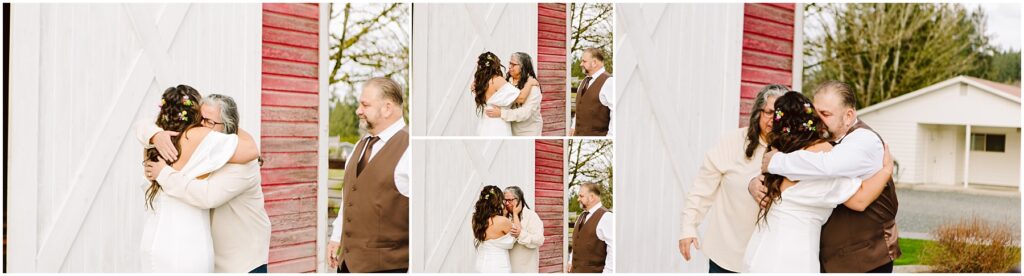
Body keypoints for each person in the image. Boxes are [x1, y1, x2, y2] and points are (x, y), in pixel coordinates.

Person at [751, 81, 902, 273]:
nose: (817, 120)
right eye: (815, 113)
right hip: (799, 258)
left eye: (825, 114)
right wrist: (754, 182)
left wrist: (775, 163)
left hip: (863, 260)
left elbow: (829, 166)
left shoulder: (863, 140)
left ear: (848, 116)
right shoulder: (813, 151)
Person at [140, 92, 270, 273]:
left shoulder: (244, 164)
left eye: (208, 121)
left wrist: (163, 173)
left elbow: (208, 196)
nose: (200, 126)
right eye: (199, 119)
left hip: (242, 263)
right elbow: (143, 124)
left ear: (228, 125)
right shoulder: (206, 151)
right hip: (208, 257)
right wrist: (155, 135)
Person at [677, 84, 788, 273]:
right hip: (726, 257)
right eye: (769, 112)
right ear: (758, 112)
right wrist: (688, 226)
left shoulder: (792, 150)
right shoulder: (733, 141)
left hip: (768, 259)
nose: (774, 119)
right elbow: (702, 189)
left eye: (780, 114)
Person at [327, 77, 411, 273]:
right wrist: (336, 237)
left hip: (388, 268)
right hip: (347, 265)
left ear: (387, 108)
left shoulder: (411, 149)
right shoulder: (360, 145)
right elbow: (348, 198)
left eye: (365, 105)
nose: (358, 111)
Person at [472, 52, 538, 136]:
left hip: (485, 124)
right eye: (510, 63)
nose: (509, 66)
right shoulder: (500, 80)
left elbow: (526, 111)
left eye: (513, 64)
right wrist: (529, 83)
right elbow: (520, 98)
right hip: (497, 125)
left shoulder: (480, 82)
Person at [569, 183, 614, 273]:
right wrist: (570, 262)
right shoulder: (581, 216)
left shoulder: (607, 217)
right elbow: (577, 243)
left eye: (581, 196)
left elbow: (613, 250)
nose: (578, 199)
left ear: (592, 197)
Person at [571, 48, 614, 137]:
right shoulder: (584, 81)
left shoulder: (609, 82)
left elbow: (615, 113)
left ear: (594, 63)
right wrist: (573, 126)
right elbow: (580, 107)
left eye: (584, 61)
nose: (581, 64)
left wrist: (610, 136)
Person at [473, 185, 515, 273]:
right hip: (498, 265)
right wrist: (515, 212)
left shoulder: (476, 219)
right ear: (497, 202)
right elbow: (517, 232)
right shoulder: (503, 221)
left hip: (481, 264)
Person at [503, 186, 545, 273]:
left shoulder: (531, 216)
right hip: (506, 267)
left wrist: (521, 234)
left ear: (519, 200)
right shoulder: (504, 216)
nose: (506, 203)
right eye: (505, 200)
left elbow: (539, 240)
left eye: (510, 200)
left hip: (526, 268)